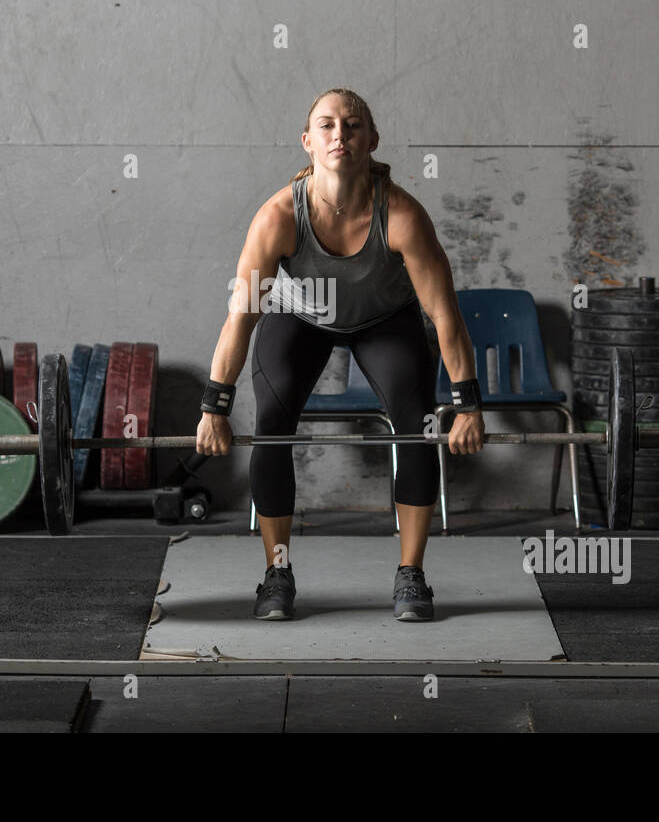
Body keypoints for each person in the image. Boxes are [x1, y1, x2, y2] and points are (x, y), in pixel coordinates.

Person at [196, 88, 484, 621]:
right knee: (274, 423)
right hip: (298, 316)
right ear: (308, 142)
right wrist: (214, 406)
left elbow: (445, 315)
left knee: (417, 425)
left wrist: (467, 406)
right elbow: (241, 316)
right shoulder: (278, 216)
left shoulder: (402, 215)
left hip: (383, 320)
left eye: (352, 126)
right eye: (326, 126)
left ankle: (411, 576)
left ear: (371, 140)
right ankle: (277, 573)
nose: (340, 135)